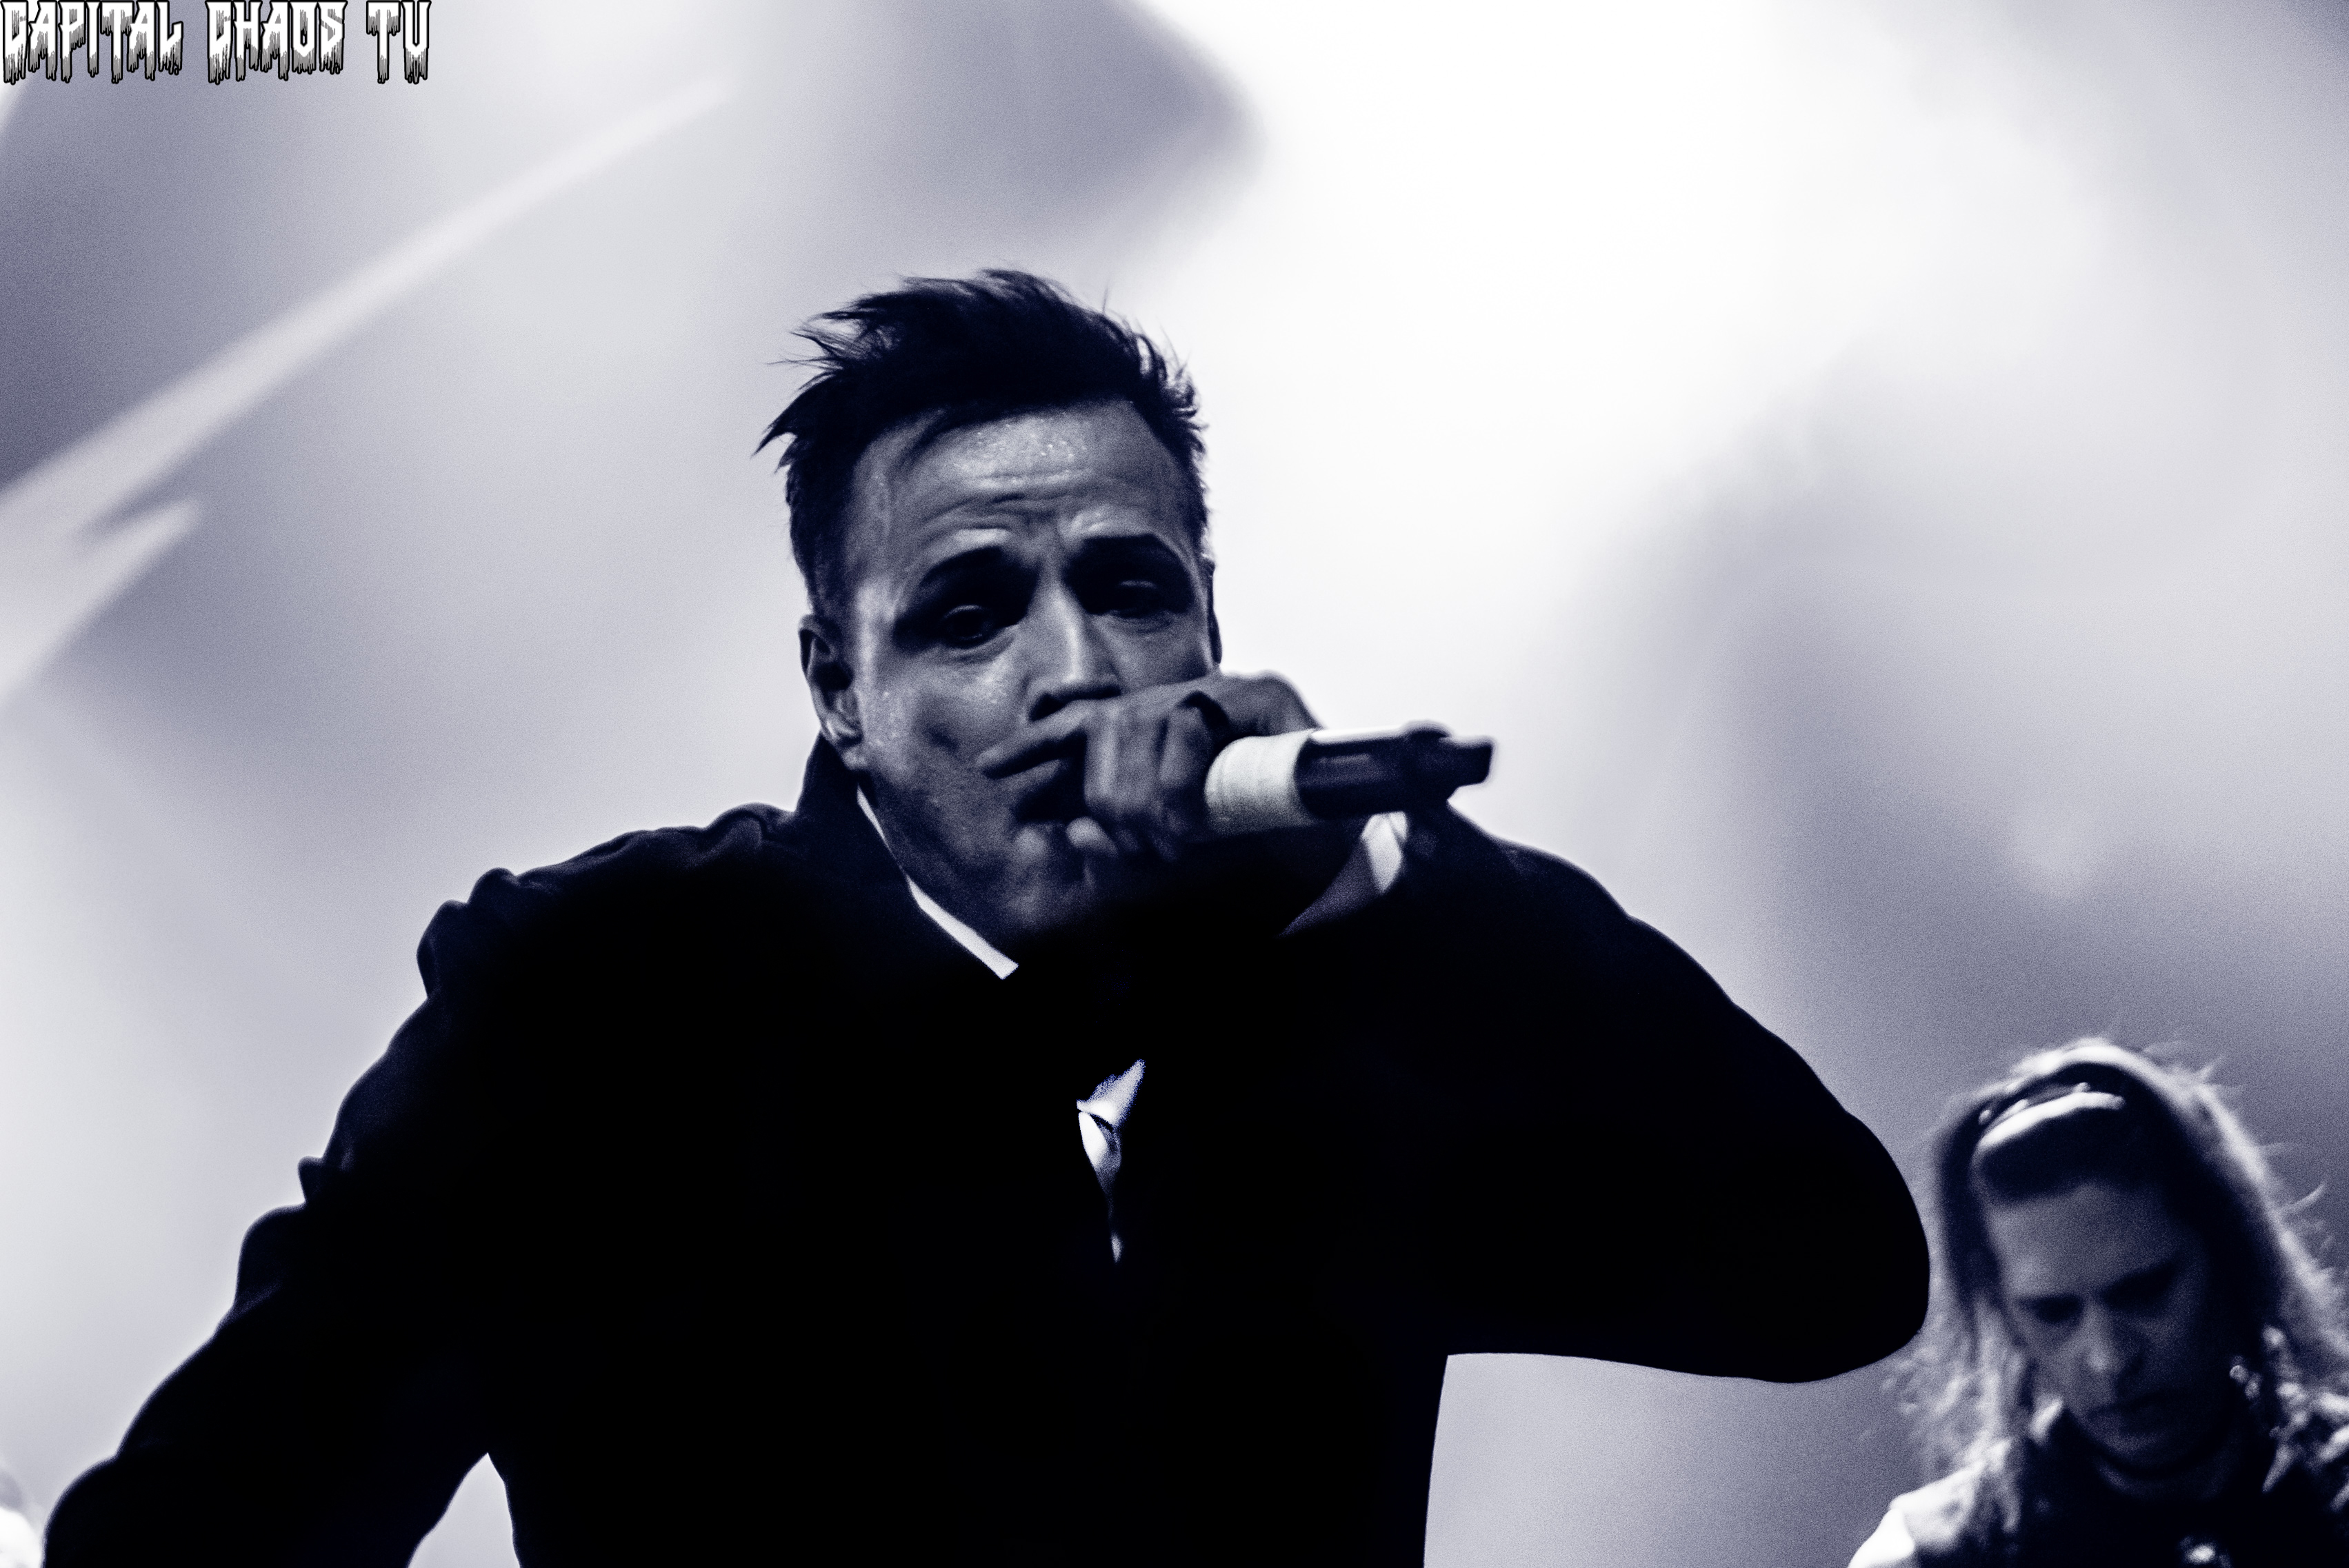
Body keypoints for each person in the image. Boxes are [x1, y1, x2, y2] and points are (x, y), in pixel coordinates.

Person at [48, 270, 1926, 1567]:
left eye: (1129, 587)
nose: (1071, 669)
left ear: (1210, 625)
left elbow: (1826, 1270)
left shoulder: (1334, 996)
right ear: (837, 689)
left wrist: (1374, 880)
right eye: (967, 610)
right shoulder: (603, 1009)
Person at [1852, 1038, 2349, 1567]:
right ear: (2003, 1311)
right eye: (2053, 1312)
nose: (2109, 1358)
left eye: (2146, 1291)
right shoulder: (1921, 1557)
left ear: (2231, 1254)